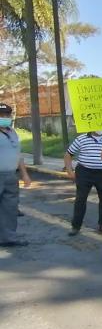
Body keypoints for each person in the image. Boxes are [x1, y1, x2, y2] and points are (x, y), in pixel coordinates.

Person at [64, 130, 102, 236]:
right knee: (80, 199)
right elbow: (68, 154)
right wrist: (69, 171)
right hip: (84, 172)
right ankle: (76, 226)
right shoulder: (81, 139)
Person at [0, 104, 31, 247]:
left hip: (11, 176)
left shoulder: (13, 132)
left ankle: (9, 238)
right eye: (2, 115)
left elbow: (19, 156)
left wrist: (24, 175)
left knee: (10, 208)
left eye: (7, 115)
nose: (5, 117)